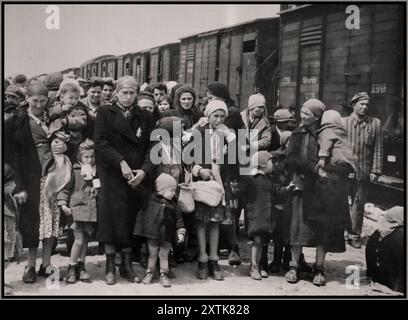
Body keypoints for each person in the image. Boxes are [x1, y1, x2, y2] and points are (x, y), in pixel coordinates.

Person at [94, 76, 156, 285]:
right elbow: (100, 143)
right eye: (124, 93)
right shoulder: (104, 113)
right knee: (111, 218)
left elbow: (153, 147)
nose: (128, 97)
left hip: (136, 176)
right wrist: (120, 162)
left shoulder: (146, 116)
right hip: (112, 173)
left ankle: (126, 264)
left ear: (136, 94)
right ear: (116, 94)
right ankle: (111, 264)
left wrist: (145, 171)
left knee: (130, 218)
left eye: (132, 93)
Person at [285, 99, 349, 286]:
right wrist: (313, 169)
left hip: (323, 189)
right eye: (302, 112)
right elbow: (290, 159)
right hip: (302, 186)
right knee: (298, 229)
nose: (302, 115)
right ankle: (294, 266)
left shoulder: (328, 134)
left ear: (316, 116)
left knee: (322, 229)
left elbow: (341, 158)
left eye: (307, 113)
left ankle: (319, 268)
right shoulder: (297, 134)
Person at [6, 82, 65, 284]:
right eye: (34, 101)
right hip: (31, 178)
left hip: (53, 175)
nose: (38, 105)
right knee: (33, 224)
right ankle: (30, 265)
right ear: (27, 100)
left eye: (42, 101)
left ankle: (46, 264)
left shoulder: (53, 117)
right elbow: (11, 155)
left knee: (51, 223)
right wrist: (19, 186)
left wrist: (62, 144)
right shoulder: (18, 119)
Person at [189, 100, 237, 281]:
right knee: (201, 222)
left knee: (215, 222)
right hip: (203, 184)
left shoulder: (227, 134)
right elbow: (188, 158)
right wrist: (199, 170)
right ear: (208, 116)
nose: (219, 119)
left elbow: (235, 160)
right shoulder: (199, 133)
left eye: (222, 116)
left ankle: (213, 259)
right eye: (215, 116)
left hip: (220, 184)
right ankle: (202, 258)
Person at [205, 82, 245, 266]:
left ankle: (232, 248)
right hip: (212, 168)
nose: (208, 99)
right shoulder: (208, 120)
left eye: (212, 96)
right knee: (213, 209)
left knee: (229, 210)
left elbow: (237, 145)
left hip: (228, 168)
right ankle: (215, 247)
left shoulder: (232, 113)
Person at [342, 92, 383, 248]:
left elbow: (378, 148)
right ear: (354, 105)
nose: (365, 107)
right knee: (341, 202)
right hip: (344, 170)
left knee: (359, 204)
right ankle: (340, 233)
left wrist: (376, 171)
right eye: (362, 104)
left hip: (363, 171)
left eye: (367, 105)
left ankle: (354, 234)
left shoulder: (375, 124)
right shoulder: (343, 122)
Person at [58, 139, 99, 284]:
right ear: (80, 157)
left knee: (85, 240)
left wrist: (97, 189)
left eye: (92, 156)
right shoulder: (75, 170)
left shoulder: (96, 171)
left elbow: (99, 187)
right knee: (78, 240)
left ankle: (81, 266)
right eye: (86, 157)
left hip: (90, 210)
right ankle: (72, 267)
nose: (90, 159)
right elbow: (65, 188)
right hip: (77, 209)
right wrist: (63, 204)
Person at [134, 173, 186, 288]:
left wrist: (180, 232)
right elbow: (140, 191)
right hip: (152, 234)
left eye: (174, 190)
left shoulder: (174, 205)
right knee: (152, 255)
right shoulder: (150, 199)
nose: (174, 193)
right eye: (171, 190)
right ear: (161, 190)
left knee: (164, 255)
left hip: (167, 235)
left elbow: (179, 220)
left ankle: (164, 273)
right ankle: (150, 272)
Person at [245, 151, 275, 280]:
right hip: (256, 216)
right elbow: (244, 192)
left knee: (261, 241)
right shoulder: (253, 180)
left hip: (264, 217)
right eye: (270, 161)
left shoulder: (267, 181)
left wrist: (287, 189)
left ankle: (258, 265)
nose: (273, 164)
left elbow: (275, 192)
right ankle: (254, 266)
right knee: (257, 241)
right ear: (263, 164)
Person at [48, 82, 88, 161]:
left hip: (71, 139)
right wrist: (61, 109)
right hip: (56, 136)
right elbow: (49, 114)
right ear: (62, 98)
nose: (74, 101)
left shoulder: (79, 110)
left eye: (76, 98)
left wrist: (68, 121)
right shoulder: (55, 106)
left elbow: (82, 121)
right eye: (71, 98)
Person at [317, 110, 357, 177]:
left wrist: (322, 159)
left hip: (336, 161)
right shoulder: (340, 131)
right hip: (348, 162)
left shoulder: (327, 130)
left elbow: (325, 144)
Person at [4, 163, 18, 294]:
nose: (14, 185)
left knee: (6, 260)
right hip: (4, 237)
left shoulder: (9, 198)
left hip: (9, 236)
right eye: (11, 182)